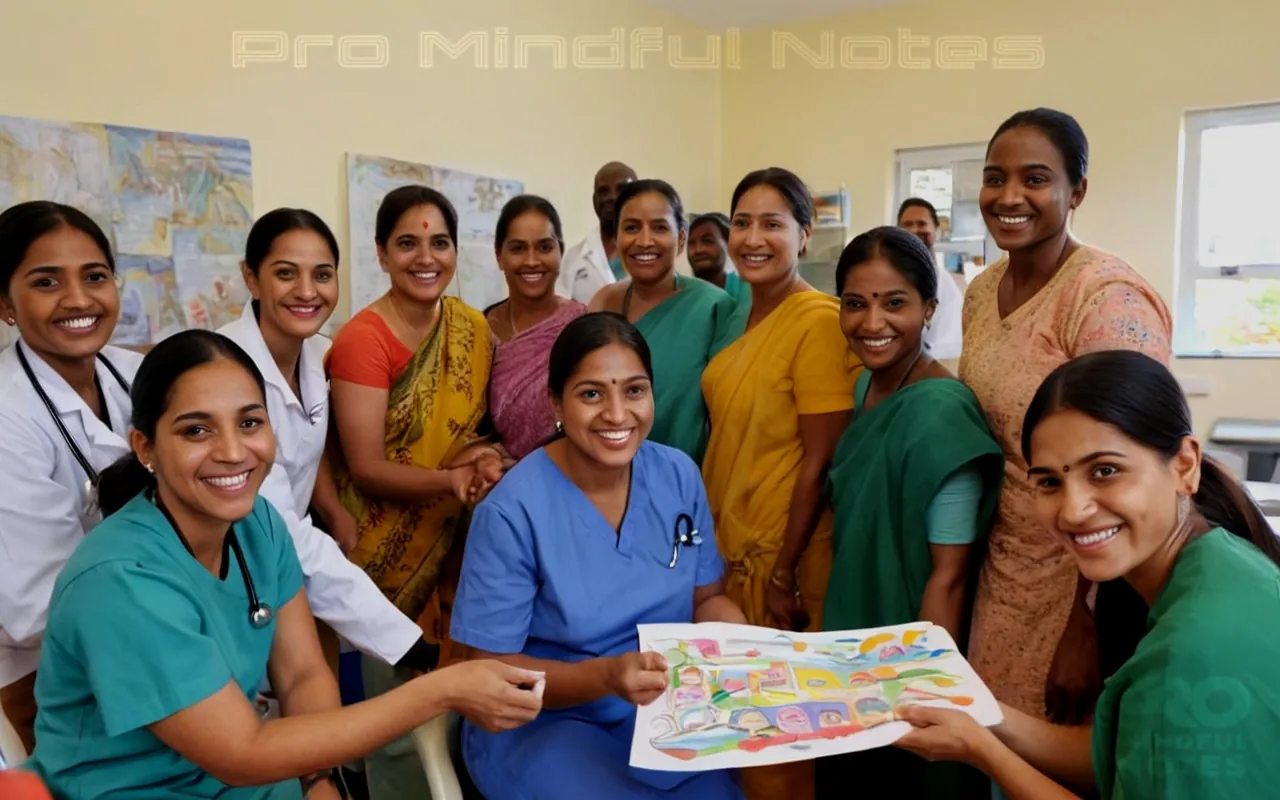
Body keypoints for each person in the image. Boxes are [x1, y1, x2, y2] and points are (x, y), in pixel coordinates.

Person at [20, 329, 543, 799]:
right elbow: (241, 753)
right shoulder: (120, 580)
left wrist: (317, 780)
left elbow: (301, 673)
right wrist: (441, 689)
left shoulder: (260, 525)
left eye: (250, 422)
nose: (232, 451)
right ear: (146, 448)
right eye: (196, 431)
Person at [892, 349, 1280, 800]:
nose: (1074, 511)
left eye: (1106, 471)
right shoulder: (1222, 560)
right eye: (1049, 482)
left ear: (1185, 465)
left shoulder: (1189, 656)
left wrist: (983, 751)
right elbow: (1127, 755)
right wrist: (980, 711)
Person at [450, 312, 747, 800]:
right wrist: (606, 676)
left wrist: (747, 649)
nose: (616, 414)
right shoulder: (513, 510)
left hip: (665, 711)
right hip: (543, 724)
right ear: (556, 403)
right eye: (592, 394)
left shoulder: (678, 475)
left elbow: (706, 600)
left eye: (634, 391)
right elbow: (491, 671)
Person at [959, 108, 1172, 728]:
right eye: (995, 178)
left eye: (1035, 178)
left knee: (1062, 758)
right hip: (1003, 569)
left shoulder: (1105, 299)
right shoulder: (981, 290)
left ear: (1076, 191)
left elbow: (1127, 476)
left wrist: (1086, 624)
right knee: (996, 742)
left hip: (1085, 575)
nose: (1009, 197)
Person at [326, 185, 504, 797]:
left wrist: (481, 459)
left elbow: (474, 429)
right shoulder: (362, 340)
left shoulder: (471, 327)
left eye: (439, 242)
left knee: (456, 700)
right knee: (398, 715)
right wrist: (452, 479)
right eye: (407, 243)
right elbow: (368, 466)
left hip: (456, 546)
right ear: (380, 253)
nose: (425, 257)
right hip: (384, 558)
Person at [816, 226, 1003, 800]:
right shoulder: (865, 391)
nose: (872, 324)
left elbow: (948, 576)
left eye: (894, 303)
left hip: (911, 650)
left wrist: (918, 694)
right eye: (855, 303)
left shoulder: (941, 413)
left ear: (929, 309)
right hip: (854, 632)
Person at [218, 208, 438, 679]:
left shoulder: (321, 354)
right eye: (285, 274)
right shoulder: (223, 372)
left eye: (322, 275)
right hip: (230, 571)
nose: (306, 291)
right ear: (251, 279)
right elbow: (283, 531)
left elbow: (303, 448)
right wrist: (411, 646)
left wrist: (333, 506)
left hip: (286, 571)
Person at [700, 167, 861, 800]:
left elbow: (820, 463)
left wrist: (784, 571)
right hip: (730, 562)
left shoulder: (816, 321)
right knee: (739, 742)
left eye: (773, 223)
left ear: (804, 232)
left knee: (784, 751)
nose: (753, 238)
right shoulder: (738, 317)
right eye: (742, 222)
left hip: (787, 567)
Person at [0, 201, 144, 753]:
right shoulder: (9, 415)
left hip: (155, 639)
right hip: (48, 675)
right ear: (6, 304)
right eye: (46, 281)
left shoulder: (138, 375)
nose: (79, 299)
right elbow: (39, 606)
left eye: (95, 276)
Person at [588, 180, 736, 464]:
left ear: (681, 239)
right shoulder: (603, 303)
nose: (644, 241)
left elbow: (728, 415)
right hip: (604, 470)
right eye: (631, 228)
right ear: (616, 238)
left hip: (683, 477)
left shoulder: (714, 307)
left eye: (659, 227)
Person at [484, 194, 586, 460]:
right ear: (499, 255)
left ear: (560, 251)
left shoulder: (583, 328)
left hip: (570, 479)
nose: (532, 261)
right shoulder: (476, 331)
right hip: (495, 486)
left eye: (544, 247)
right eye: (518, 248)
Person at [557, 161, 638, 303]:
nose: (612, 197)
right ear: (594, 200)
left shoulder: (650, 252)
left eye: (621, 189)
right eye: (603, 191)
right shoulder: (573, 258)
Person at [896, 198, 965, 360]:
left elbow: (949, 342)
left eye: (921, 224)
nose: (914, 230)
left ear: (936, 229)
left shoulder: (944, 282)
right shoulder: (890, 275)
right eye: (907, 225)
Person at [688, 212, 747, 303]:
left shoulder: (748, 290)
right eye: (691, 243)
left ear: (728, 245)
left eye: (708, 241)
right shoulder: (684, 297)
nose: (698, 250)